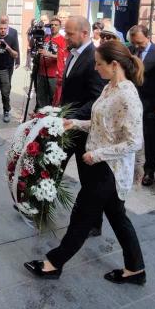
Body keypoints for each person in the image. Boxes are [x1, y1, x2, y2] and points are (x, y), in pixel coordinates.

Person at [24, 40, 146, 284]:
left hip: (108, 169)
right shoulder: (110, 87)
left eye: (99, 64)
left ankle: (54, 263)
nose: (95, 68)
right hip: (99, 165)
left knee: (82, 215)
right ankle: (135, 268)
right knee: (118, 217)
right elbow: (101, 123)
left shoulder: (127, 95)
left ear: (114, 65)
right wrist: (75, 123)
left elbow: (134, 142)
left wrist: (96, 155)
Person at [57, 16, 107, 188]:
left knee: (87, 178)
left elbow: (96, 98)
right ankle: (42, 199)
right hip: (67, 125)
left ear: (85, 33)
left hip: (82, 129)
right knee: (53, 167)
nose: (66, 37)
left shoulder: (94, 58)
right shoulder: (73, 53)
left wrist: (73, 118)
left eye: (70, 34)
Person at [128, 24, 155, 186]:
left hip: (151, 103)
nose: (137, 46)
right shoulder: (130, 51)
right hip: (131, 101)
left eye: (140, 43)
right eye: (134, 43)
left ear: (148, 37)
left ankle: (149, 171)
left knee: (150, 138)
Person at [35, 17, 67, 109]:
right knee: (41, 97)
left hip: (54, 75)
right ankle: (40, 114)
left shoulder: (63, 40)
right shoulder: (45, 37)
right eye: (51, 25)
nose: (53, 26)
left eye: (56, 25)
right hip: (41, 72)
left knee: (53, 98)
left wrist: (50, 54)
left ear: (60, 27)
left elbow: (64, 57)